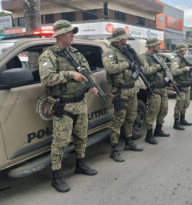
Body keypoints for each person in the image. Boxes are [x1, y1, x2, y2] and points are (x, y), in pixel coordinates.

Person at [39, 20, 98, 193]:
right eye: (68, 32)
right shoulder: (49, 55)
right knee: (61, 142)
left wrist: (92, 84)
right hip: (63, 105)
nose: (72, 35)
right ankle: (56, 177)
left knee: (81, 136)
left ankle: (80, 164)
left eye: (72, 32)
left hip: (80, 102)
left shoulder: (76, 53)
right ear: (58, 35)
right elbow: (47, 79)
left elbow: (87, 72)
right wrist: (71, 74)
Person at [102, 28, 143, 163]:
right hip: (120, 91)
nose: (126, 40)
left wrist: (133, 55)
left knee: (131, 117)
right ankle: (114, 150)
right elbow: (110, 68)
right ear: (118, 39)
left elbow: (140, 64)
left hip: (131, 89)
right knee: (118, 121)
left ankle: (129, 142)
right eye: (124, 38)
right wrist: (126, 64)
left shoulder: (126, 51)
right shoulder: (110, 52)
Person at [140, 38, 171, 144]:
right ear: (152, 46)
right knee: (153, 110)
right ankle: (149, 135)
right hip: (154, 89)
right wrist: (158, 66)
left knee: (164, 109)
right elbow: (146, 71)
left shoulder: (159, 57)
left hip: (163, 87)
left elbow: (166, 69)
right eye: (157, 45)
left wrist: (169, 79)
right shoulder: (144, 58)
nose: (159, 46)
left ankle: (158, 129)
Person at [171, 43, 192, 130]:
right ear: (180, 50)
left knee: (186, 104)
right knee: (179, 104)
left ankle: (182, 119)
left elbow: (189, 72)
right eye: (184, 49)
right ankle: (176, 122)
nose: (186, 51)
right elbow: (174, 71)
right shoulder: (176, 60)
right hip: (181, 86)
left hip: (187, 86)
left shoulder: (183, 59)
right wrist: (184, 69)